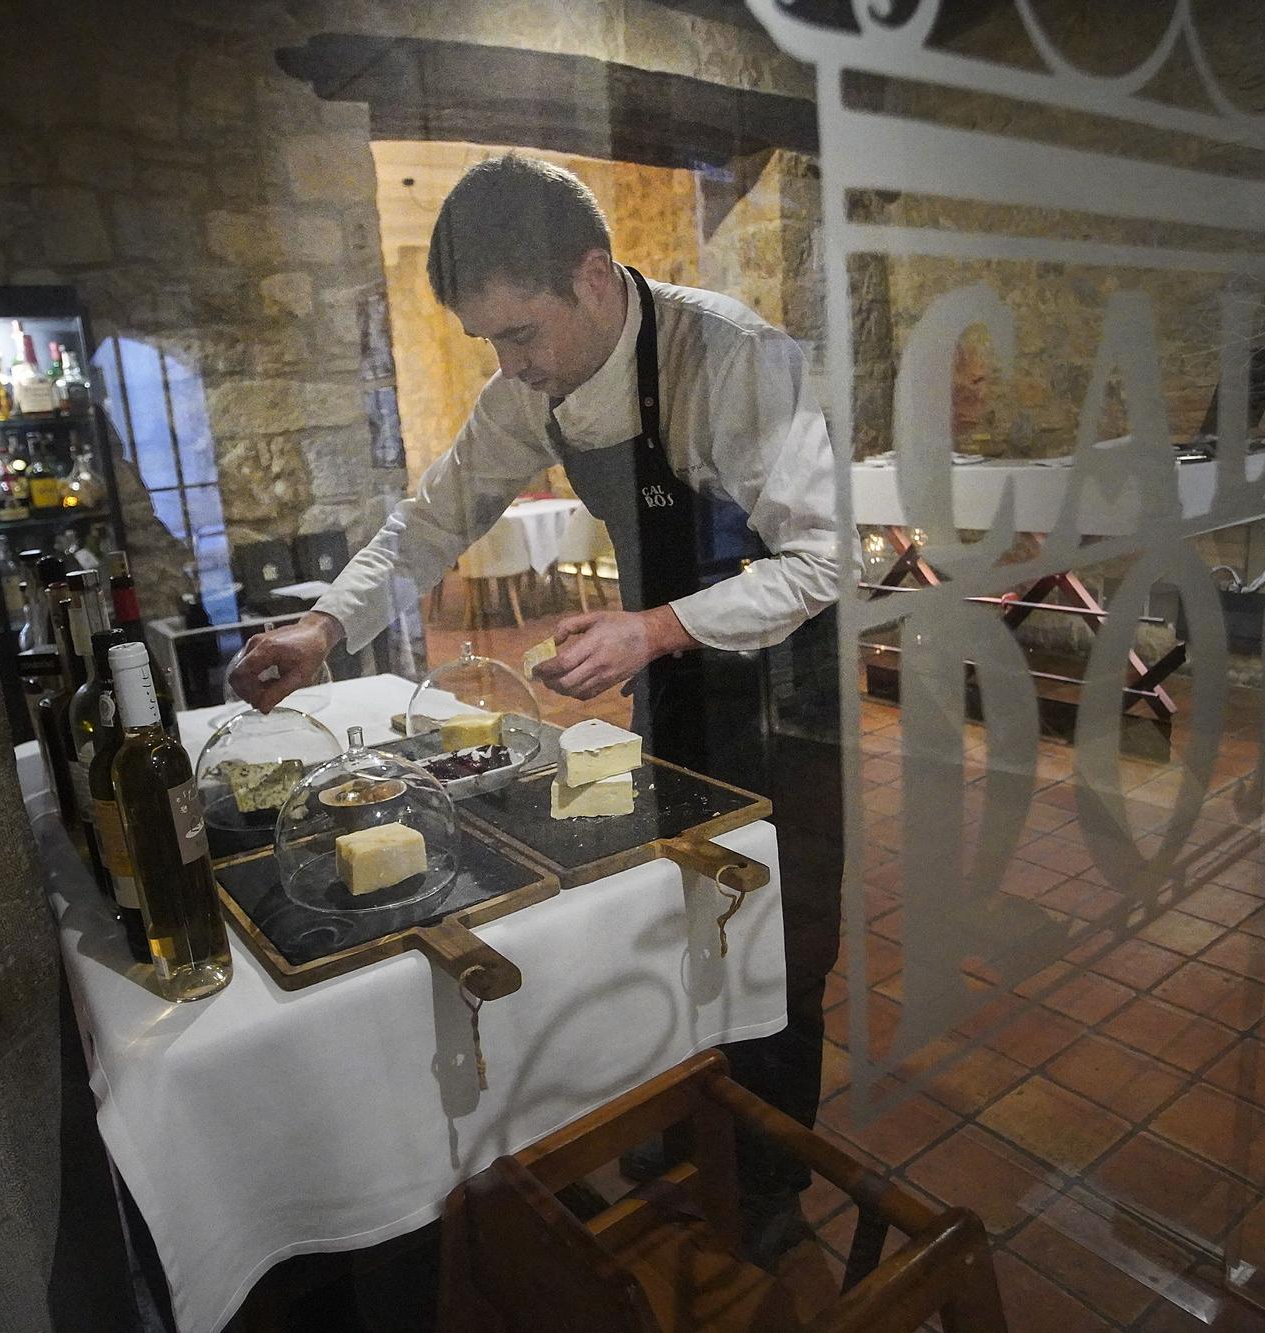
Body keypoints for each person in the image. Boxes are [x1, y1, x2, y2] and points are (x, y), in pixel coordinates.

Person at [228, 153, 843, 1260]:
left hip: (786, 691)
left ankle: (769, 1189)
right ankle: (693, 1125)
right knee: (684, 911)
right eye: (492, 344)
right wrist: (323, 626)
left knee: (786, 941)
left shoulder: (733, 356)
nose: (512, 366)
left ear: (594, 279)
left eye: (521, 334)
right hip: (675, 684)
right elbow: (429, 520)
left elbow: (823, 562)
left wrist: (652, 626)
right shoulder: (531, 390)